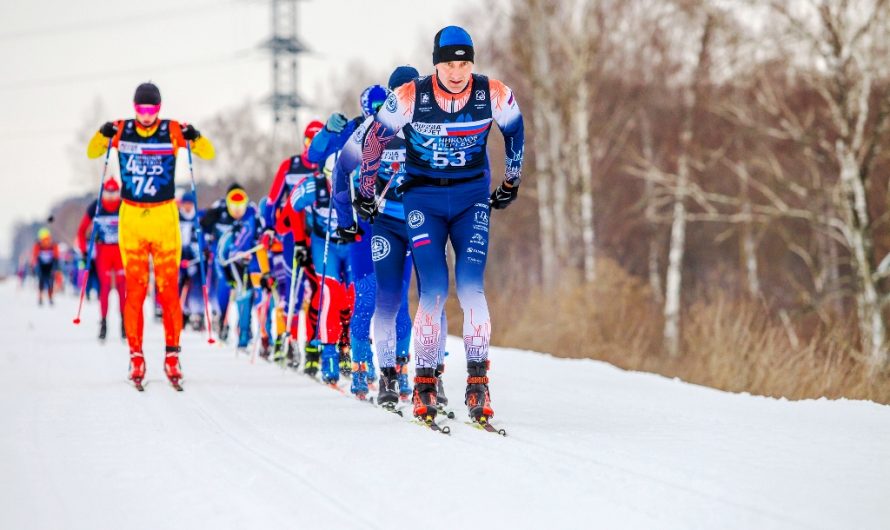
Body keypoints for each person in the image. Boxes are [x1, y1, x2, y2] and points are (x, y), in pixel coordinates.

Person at [356, 27, 525, 423]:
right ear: (436, 64)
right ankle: (424, 383)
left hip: (470, 201)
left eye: (464, 63)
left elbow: (515, 130)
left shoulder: (493, 93)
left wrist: (511, 181)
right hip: (423, 200)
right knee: (432, 288)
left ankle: (478, 383)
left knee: (470, 286)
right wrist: (366, 189)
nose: (457, 71)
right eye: (449, 63)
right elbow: (374, 141)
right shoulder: (411, 96)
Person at [86, 81, 215, 387]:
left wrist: (194, 138)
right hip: (131, 218)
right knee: (136, 291)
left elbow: (208, 153)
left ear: (159, 108)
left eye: (152, 109)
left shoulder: (172, 131)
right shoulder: (121, 129)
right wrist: (101, 133)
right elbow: (92, 152)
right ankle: (136, 357)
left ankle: (172, 355)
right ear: (134, 108)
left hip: (164, 217)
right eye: (142, 109)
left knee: (168, 292)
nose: (146, 115)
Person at [308, 86, 389, 378]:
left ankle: (364, 353)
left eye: (385, 104)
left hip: (380, 219)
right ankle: (332, 353)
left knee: (368, 294)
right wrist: (328, 132)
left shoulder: (398, 126)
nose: (379, 112)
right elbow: (314, 156)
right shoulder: (355, 129)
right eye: (374, 106)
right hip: (347, 223)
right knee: (334, 293)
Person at [263, 121, 322, 365]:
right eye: (309, 142)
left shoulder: (328, 165)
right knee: (293, 290)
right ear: (303, 142)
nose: (313, 148)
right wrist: (268, 227)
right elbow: (272, 200)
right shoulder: (290, 165)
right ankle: (288, 342)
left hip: (318, 233)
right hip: (292, 234)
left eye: (318, 143)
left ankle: (313, 345)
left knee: (320, 288)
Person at [76, 178, 126, 340]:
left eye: (114, 193)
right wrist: (85, 252)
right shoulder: (96, 206)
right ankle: (103, 323)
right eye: (108, 193)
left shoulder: (124, 204)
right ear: (103, 192)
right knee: (104, 287)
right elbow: (81, 231)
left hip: (120, 250)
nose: (111, 197)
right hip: (103, 250)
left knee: (122, 287)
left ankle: (125, 323)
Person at [31, 228, 59, 306]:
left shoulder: (53, 245)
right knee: (42, 281)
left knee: (50, 282)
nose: (45, 242)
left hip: (50, 265)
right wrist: (34, 267)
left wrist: (55, 267)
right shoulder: (38, 245)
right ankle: (41, 298)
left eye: (47, 239)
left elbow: (56, 257)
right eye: (43, 239)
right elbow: (35, 257)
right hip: (41, 266)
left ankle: (49, 298)